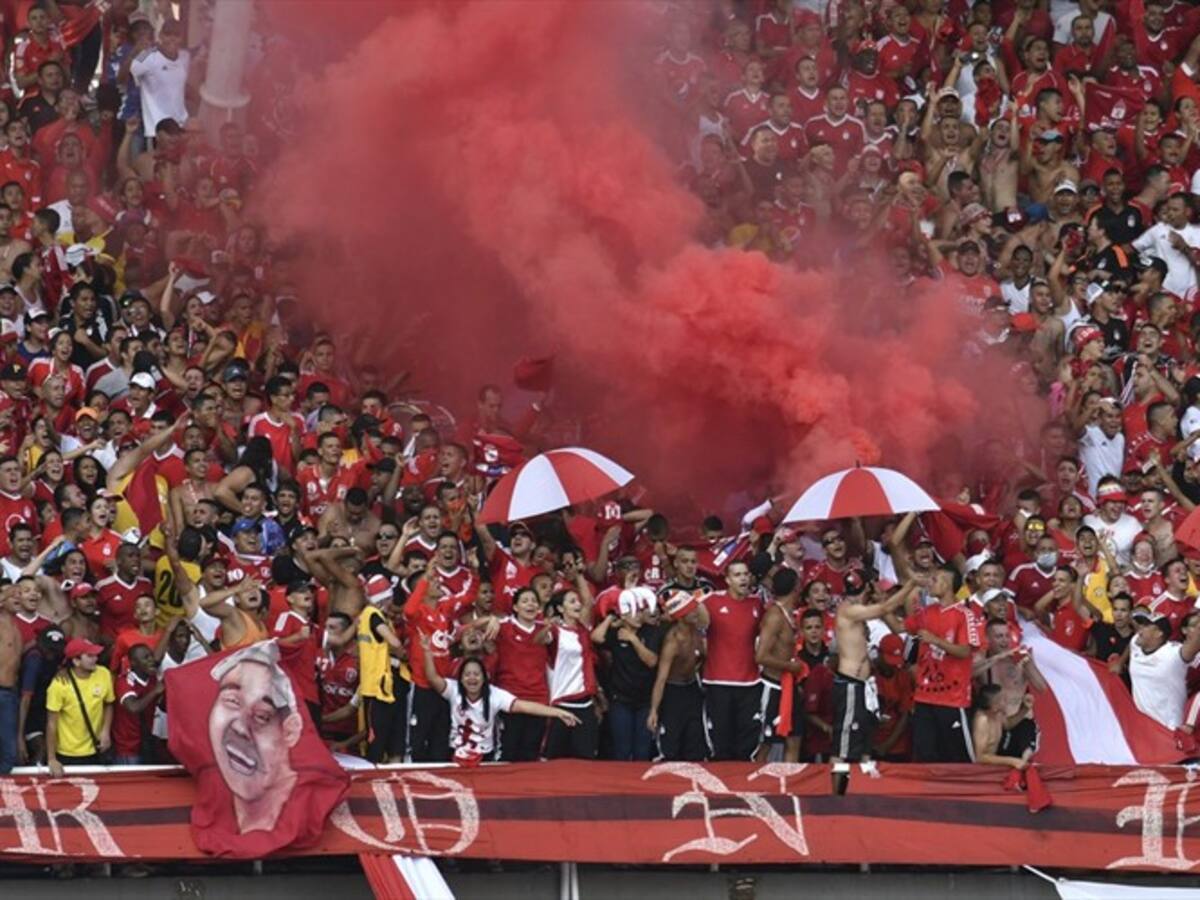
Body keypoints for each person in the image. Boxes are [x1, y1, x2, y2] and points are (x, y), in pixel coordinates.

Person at [419, 636, 579, 763]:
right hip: (455, 754)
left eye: (476, 674)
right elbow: (433, 678)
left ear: (484, 677)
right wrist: (427, 652)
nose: (472, 679)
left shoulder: (495, 695)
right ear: (460, 678)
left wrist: (557, 712)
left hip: (485, 757)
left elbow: (523, 706)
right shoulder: (453, 690)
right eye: (467, 675)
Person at [207, 641, 302, 833]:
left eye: (262, 716)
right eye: (232, 701)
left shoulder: (308, 806)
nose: (240, 728)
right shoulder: (213, 804)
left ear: (290, 731)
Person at [830, 574, 911, 792]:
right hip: (850, 684)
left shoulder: (856, 610)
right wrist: (911, 584)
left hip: (864, 686)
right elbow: (885, 609)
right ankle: (837, 794)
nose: (858, 596)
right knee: (844, 746)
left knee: (865, 741)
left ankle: (860, 789)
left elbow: (896, 625)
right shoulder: (848, 609)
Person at [906, 566, 982, 762]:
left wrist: (935, 640)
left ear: (947, 584)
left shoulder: (964, 614)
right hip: (924, 696)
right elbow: (901, 626)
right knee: (925, 754)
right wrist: (885, 605)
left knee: (957, 756)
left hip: (952, 698)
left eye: (935, 579)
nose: (930, 582)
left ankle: (961, 792)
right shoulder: (926, 613)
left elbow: (965, 651)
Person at [700, 559, 762, 761]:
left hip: (750, 681)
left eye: (745, 574)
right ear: (727, 580)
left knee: (747, 741)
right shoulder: (711, 602)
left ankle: (743, 786)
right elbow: (691, 621)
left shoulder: (757, 604)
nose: (743, 578)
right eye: (737, 575)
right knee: (720, 742)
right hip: (718, 681)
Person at [648, 589, 709, 761]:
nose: (696, 613)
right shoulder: (673, 642)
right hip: (673, 692)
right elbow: (661, 679)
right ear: (681, 616)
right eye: (691, 610)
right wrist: (654, 710)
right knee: (671, 742)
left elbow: (705, 617)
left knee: (695, 740)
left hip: (691, 688)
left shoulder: (695, 630)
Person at [46, 637, 114, 773]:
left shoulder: (104, 674)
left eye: (95, 654)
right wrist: (52, 758)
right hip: (67, 753)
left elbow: (109, 704)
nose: (95, 658)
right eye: (89, 656)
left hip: (96, 749)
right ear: (76, 661)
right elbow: (51, 724)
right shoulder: (59, 685)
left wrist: (106, 731)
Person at [1129, 614, 1200, 730]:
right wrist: (1121, 662)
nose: (1139, 630)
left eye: (1146, 626)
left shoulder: (1173, 654)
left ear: (1158, 633)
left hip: (1168, 728)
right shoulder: (1135, 644)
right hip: (1141, 727)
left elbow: (1196, 642)